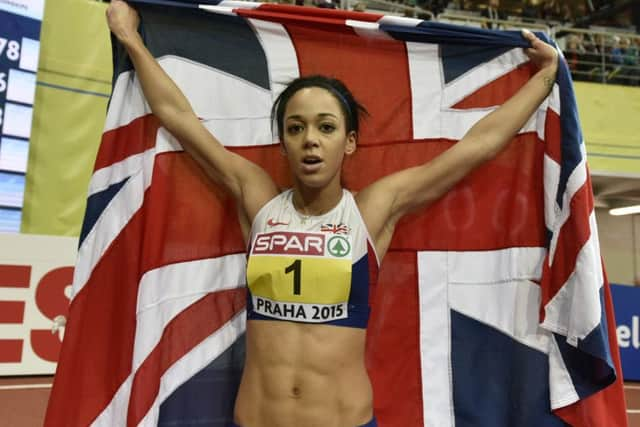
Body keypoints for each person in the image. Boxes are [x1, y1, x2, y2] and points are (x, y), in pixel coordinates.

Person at [106, 1, 558, 426]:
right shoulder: (258, 199)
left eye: (326, 127)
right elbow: (179, 117)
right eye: (295, 128)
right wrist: (130, 39)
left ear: (350, 142)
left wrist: (544, 78)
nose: (311, 140)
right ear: (282, 142)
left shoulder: (373, 210)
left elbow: (476, 147)